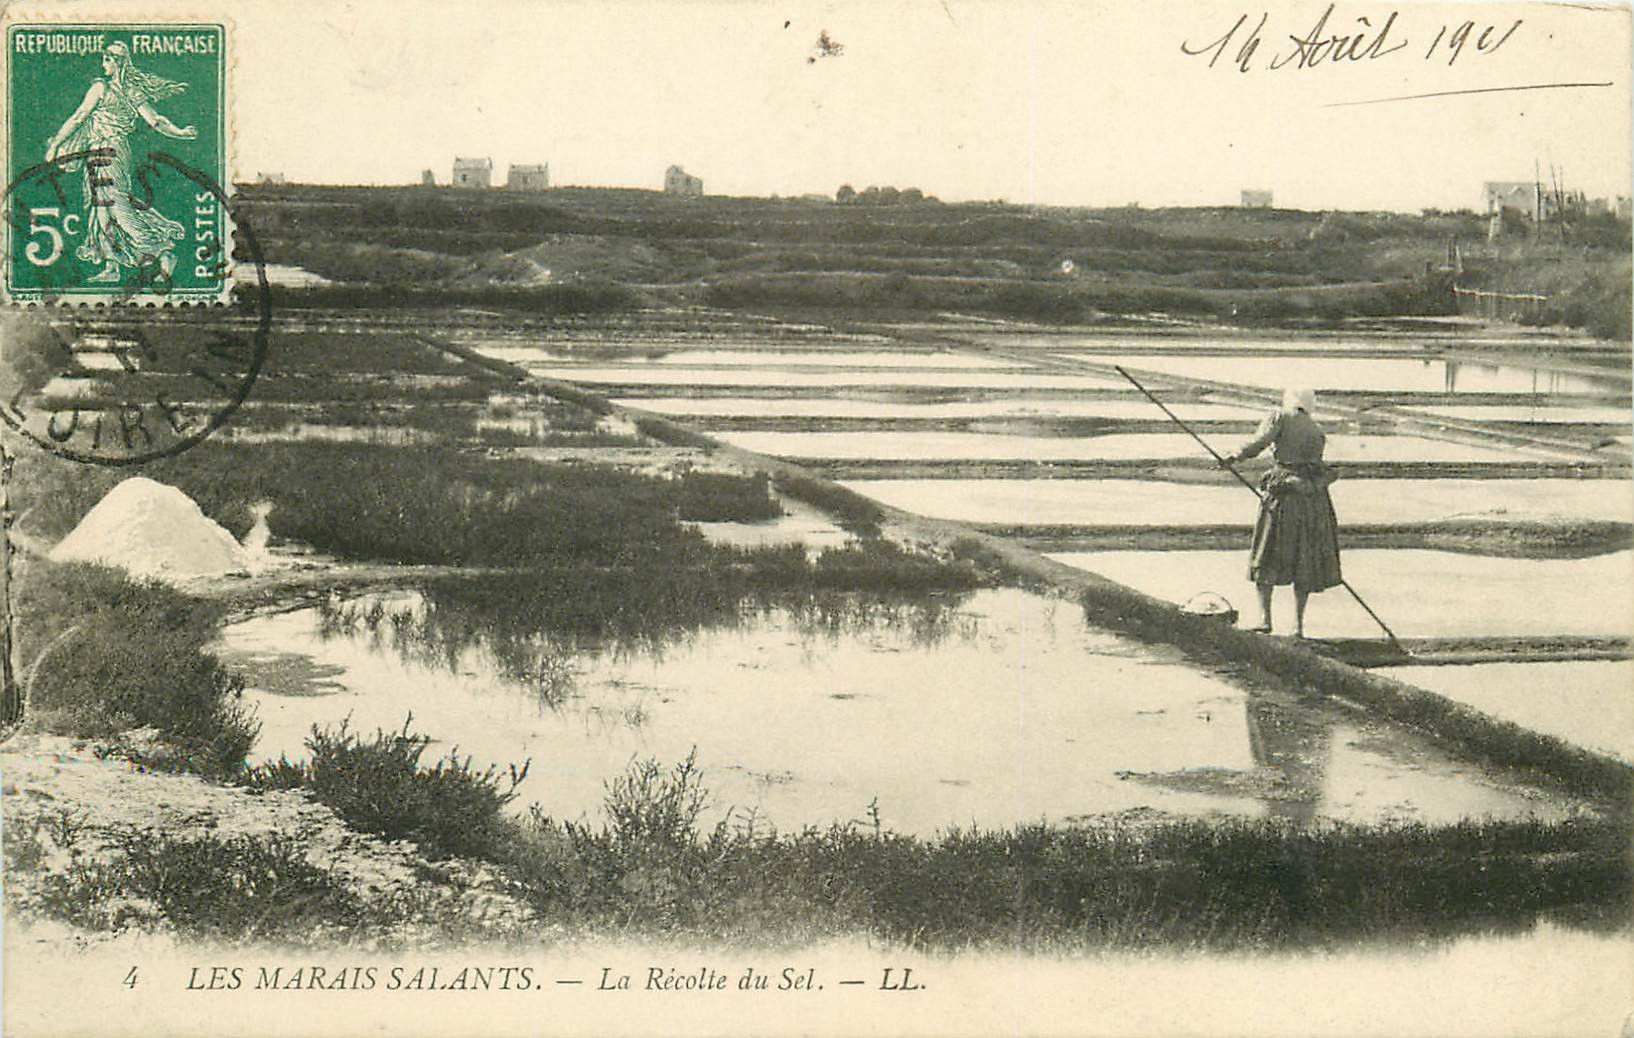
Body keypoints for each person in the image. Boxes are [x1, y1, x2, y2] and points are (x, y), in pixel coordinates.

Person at [44, 41, 197, 284]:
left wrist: (55, 144)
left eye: (107, 60)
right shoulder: (131, 90)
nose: (103, 64)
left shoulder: (101, 88)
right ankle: (111, 265)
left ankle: (162, 253)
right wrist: (178, 132)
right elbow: (155, 120)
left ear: (118, 63)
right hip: (102, 151)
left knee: (117, 207)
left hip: (108, 152)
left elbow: (78, 117)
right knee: (101, 209)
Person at [1221, 386, 1342, 638]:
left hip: (1284, 496)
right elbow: (1319, 466)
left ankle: (1265, 620)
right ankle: (1297, 626)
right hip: (1312, 500)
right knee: (1304, 559)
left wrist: (1235, 455)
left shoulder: (1280, 416)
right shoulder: (1316, 430)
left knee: (1267, 553)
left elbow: (1259, 443)